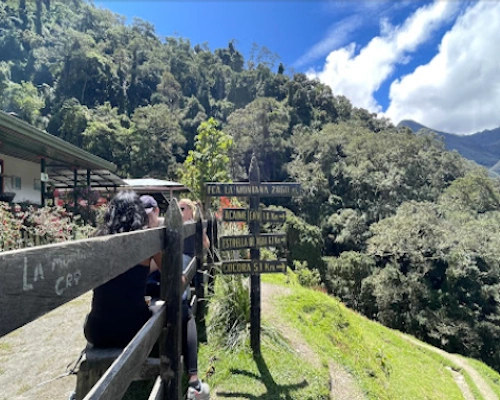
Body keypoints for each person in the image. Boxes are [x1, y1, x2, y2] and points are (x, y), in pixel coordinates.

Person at [142, 196, 210, 400]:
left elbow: (204, 246)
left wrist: (202, 230)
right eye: (177, 208)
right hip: (168, 265)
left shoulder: (192, 226)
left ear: (190, 211)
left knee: (180, 300)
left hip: (181, 264)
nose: (179, 212)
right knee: (160, 279)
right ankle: (194, 379)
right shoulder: (167, 224)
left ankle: (192, 377)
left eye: (182, 208)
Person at [83, 190, 162, 348]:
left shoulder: (95, 240)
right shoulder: (145, 242)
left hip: (97, 330)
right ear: (139, 213)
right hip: (133, 327)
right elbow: (171, 274)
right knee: (157, 310)